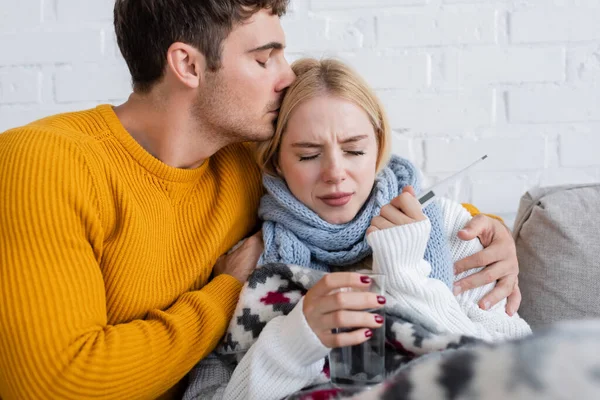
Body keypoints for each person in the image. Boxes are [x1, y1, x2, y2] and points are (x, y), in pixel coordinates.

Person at [0, 1, 520, 399]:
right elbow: (55, 385)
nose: (287, 76)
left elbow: (359, 200)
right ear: (187, 64)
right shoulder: (42, 162)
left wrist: (485, 231)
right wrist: (225, 290)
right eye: (264, 57)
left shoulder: (250, 162)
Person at [184, 58, 531, 400]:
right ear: (277, 161)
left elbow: (520, 372)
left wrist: (406, 275)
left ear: (378, 146)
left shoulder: (456, 233)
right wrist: (294, 340)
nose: (335, 173)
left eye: (354, 150)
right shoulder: (250, 266)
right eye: (307, 155)